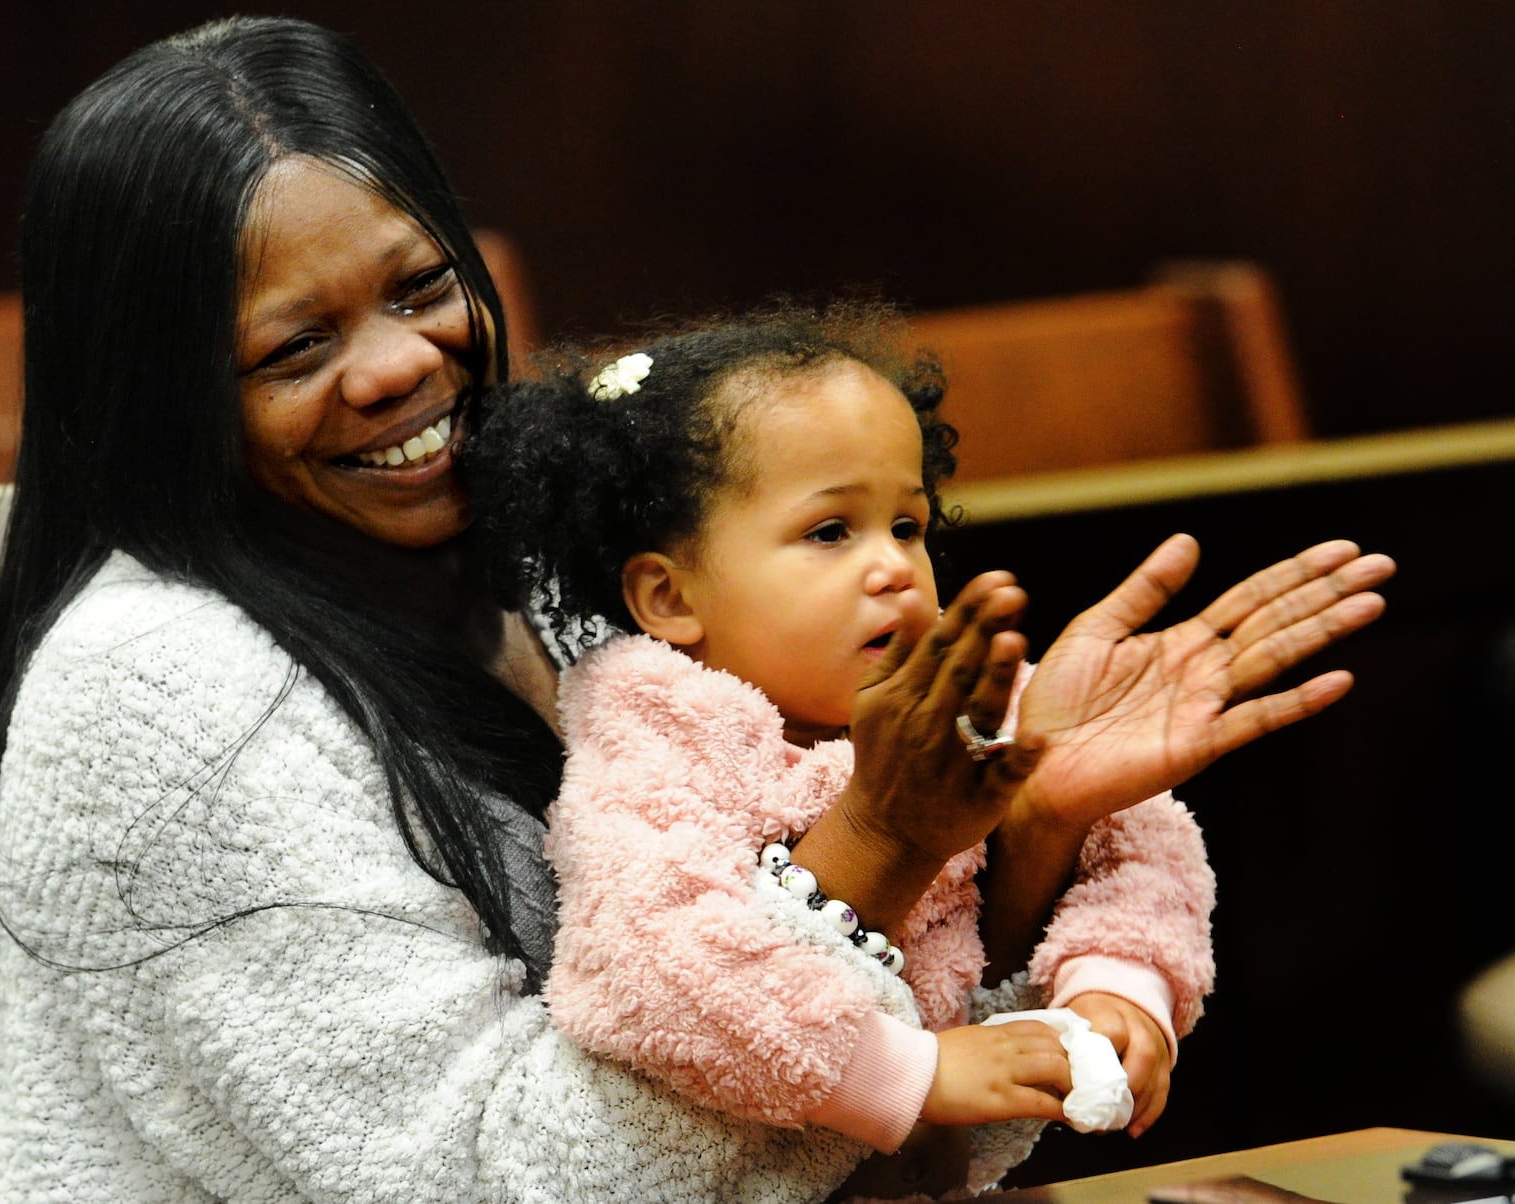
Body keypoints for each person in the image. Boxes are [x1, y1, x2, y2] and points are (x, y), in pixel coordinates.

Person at [0, 14, 1395, 1203]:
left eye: (422, 285)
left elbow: (895, 1131)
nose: (398, 368)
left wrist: (1018, 837)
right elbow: (501, 1185)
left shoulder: (543, 582)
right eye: (292, 347)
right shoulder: (158, 685)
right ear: (160, 395)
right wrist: (877, 849)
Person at [460, 304, 1382, 1194]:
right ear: (668, 596)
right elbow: (656, 974)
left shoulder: (969, 698)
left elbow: (1139, 843)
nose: (894, 565)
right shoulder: (659, 744)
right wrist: (910, 1074)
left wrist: (1118, 988)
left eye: (908, 524)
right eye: (830, 531)